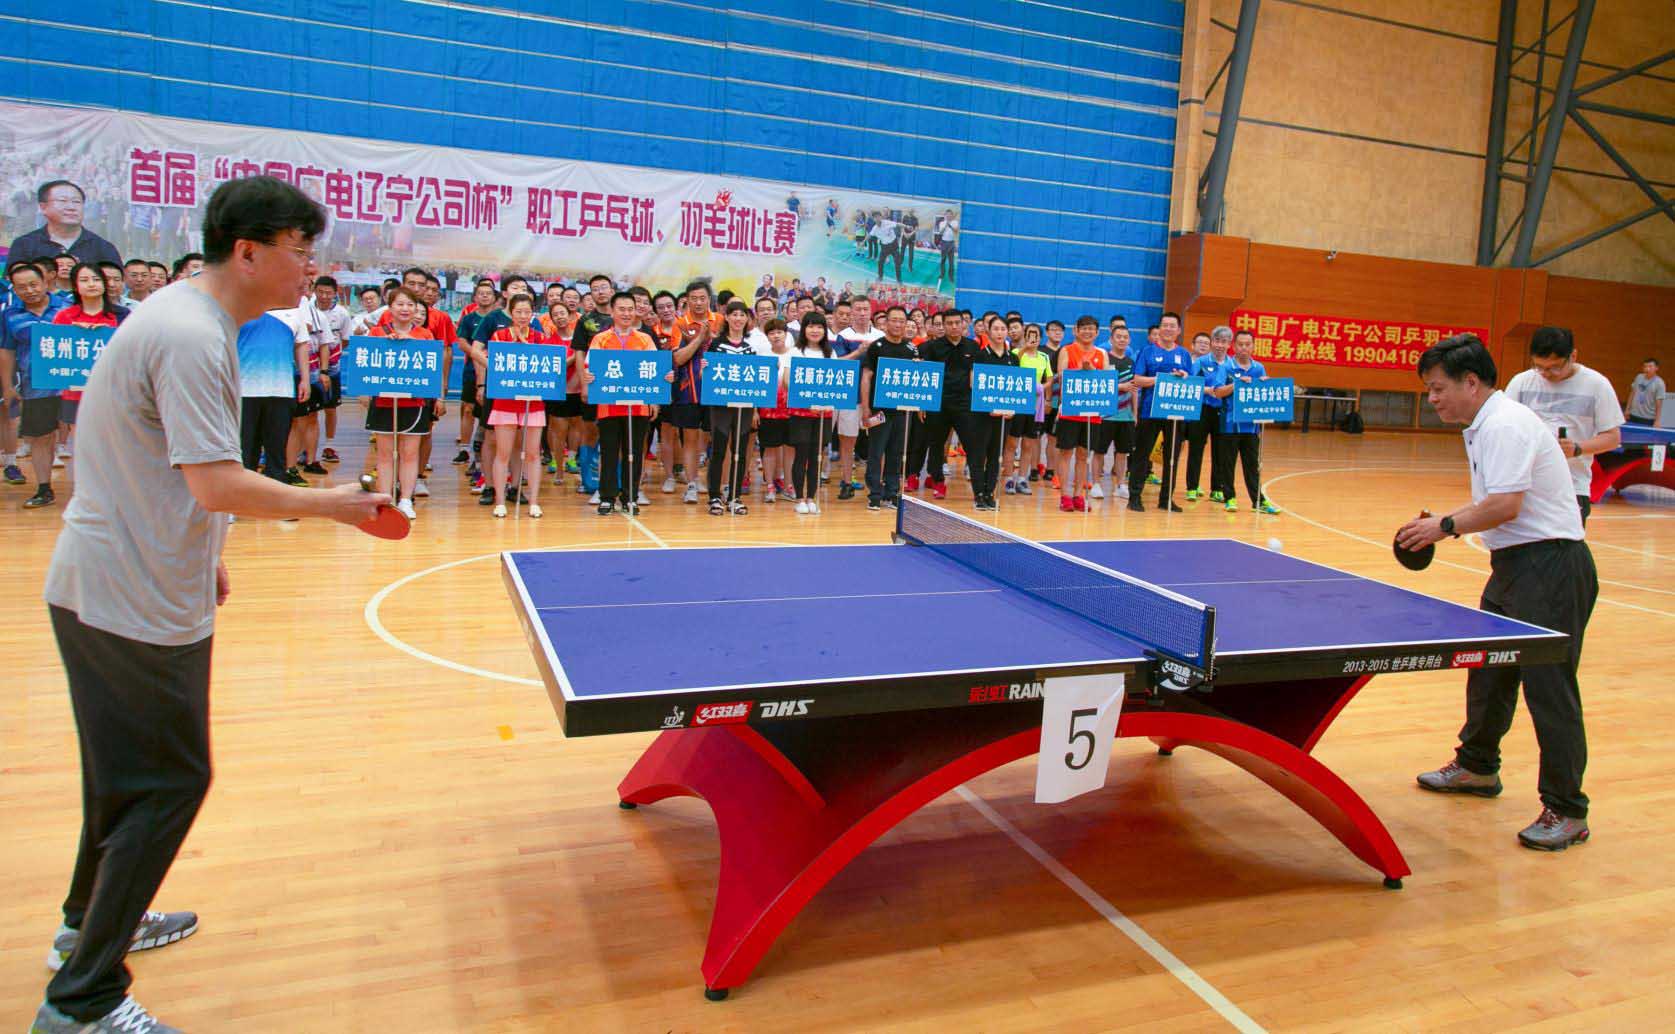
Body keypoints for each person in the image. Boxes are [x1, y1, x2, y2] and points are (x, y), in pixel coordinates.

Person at [33, 175, 385, 1034]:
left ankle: (86, 924)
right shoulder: (193, 335)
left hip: (120, 580)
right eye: (301, 251)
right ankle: (83, 1001)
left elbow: (174, 473)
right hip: (130, 594)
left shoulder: (194, 320)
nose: (311, 268)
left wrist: (208, 552)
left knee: (124, 782)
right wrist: (333, 505)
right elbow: (216, 481)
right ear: (248, 251)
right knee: (168, 785)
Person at [1399, 334, 1597, 852]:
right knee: (1489, 670)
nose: (1432, 399)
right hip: (1514, 567)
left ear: (1470, 382)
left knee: (1549, 689)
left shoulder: (1505, 424)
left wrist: (1444, 526)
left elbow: (1506, 505)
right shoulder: (1485, 424)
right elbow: (1498, 504)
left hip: (1551, 568)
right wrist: (1446, 521)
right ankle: (1478, 766)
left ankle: (1567, 810)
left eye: (1438, 388)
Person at [1503, 326, 1623, 525]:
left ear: (1573, 356)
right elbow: (1504, 427)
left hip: (1571, 488)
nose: (1546, 374)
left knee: (1564, 545)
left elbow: (1612, 438)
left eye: (1554, 367)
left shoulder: (1597, 385)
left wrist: (1577, 448)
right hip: (1524, 486)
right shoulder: (1521, 382)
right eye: (1539, 367)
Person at [584, 291, 663, 515]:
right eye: (622, 309)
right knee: (609, 451)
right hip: (608, 405)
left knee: (634, 452)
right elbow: (590, 367)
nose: (626, 313)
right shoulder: (600, 339)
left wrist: (654, 401)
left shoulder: (645, 339)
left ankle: (630, 496)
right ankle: (607, 497)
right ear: (612, 311)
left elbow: (655, 371)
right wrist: (588, 376)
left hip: (638, 406)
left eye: (630, 309)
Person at [0, 261, 69, 502]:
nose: (29, 290)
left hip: (72, 385)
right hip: (35, 385)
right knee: (41, 436)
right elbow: (7, 351)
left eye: (33, 284)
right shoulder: (10, 315)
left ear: (45, 281)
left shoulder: (68, 307)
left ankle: (90, 492)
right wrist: (8, 386)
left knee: (81, 436)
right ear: (13, 288)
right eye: (22, 287)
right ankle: (43, 489)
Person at [364, 286, 434, 519]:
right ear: (390, 307)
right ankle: (385, 500)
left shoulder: (425, 335)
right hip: (384, 401)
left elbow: (429, 368)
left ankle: (405, 499)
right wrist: (386, 344)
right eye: (400, 304)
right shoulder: (377, 332)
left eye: (410, 305)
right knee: (385, 454)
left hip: (414, 403)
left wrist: (410, 342)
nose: (405, 309)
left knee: (410, 453)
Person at [486, 294, 552, 518]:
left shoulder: (540, 338)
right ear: (511, 313)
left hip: (533, 402)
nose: (523, 316)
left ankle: (533, 501)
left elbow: (549, 366)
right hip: (505, 401)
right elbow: (495, 365)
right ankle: (500, 501)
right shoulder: (500, 336)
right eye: (518, 312)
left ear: (532, 314)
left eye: (527, 312)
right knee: (503, 453)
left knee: (533, 454)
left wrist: (529, 348)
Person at [1208, 330, 1281, 514]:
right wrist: (1237, 384)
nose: (1244, 348)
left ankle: (1258, 501)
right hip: (1229, 425)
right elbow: (1218, 392)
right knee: (1227, 465)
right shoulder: (1226, 367)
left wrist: (1265, 385)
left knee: (1252, 466)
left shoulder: (1259, 368)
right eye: (1240, 344)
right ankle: (1230, 498)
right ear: (1234, 346)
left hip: (1251, 427)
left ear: (1253, 346)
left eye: (1248, 344)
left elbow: (1263, 395)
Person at [1127, 311, 1193, 512]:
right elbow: (1137, 379)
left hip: (1175, 411)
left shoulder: (1184, 354)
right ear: (1160, 328)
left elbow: (1191, 381)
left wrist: (1184, 376)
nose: (1168, 329)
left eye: (1173, 326)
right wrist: (1159, 379)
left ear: (1179, 330)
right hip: (1150, 411)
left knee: (1171, 457)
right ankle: (1135, 497)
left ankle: (1166, 499)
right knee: (1142, 454)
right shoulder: (1147, 351)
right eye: (1165, 325)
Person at [858, 305, 917, 511]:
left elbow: (916, 377)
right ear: (886, 323)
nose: (898, 324)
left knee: (896, 452)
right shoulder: (877, 346)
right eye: (894, 320)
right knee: (876, 452)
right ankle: (874, 494)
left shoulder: (911, 348)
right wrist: (866, 407)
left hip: (902, 410)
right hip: (879, 409)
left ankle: (892, 493)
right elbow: (866, 377)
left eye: (902, 321)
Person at [704, 300, 760, 515]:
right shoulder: (716, 345)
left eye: (742, 315)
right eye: (734, 314)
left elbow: (755, 384)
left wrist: (755, 410)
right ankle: (714, 496)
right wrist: (704, 369)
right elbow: (706, 376)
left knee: (740, 451)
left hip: (744, 408)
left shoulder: (750, 349)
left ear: (747, 319)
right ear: (726, 317)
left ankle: (735, 496)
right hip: (721, 407)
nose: (738, 318)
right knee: (718, 450)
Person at [667, 281, 720, 505]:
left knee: (710, 438)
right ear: (687, 300)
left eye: (702, 298)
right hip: (687, 391)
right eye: (694, 298)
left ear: (709, 299)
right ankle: (691, 484)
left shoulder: (720, 321)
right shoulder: (680, 324)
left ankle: (710, 482)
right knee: (689, 438)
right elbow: (678, 358)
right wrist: (700, 338)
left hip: (716, 390)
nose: (698, 302)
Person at [1053, 315, 1109, 512]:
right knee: (1066, 453)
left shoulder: (1102, 354)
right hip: (1070, 409)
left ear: (1097, 332)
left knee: (1084, 454)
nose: (1087, 331)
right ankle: (1064, 495)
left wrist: (1091, 369)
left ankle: (1079, 495)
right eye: (1083, 328)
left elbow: (1106, 382)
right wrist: (1081, 370)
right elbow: (1061, 376)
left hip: (1092, 412)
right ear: (1076, 330)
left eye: (1091, 328)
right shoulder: (1067, 350)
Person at [7, 180, 123, 266]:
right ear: (43, 207)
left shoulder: (103, 248)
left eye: (76, 202)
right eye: (62, 201)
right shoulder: (24, 245)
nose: (71, 207)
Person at [834, 297, 882, 499]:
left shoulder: (880, 336)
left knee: (879, 441)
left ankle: (878, 485)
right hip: (850, 397)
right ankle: (846, 482)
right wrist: (858, 352)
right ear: (852, 312)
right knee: (848, 440)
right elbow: (838, 363)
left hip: (876, 398)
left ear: (870, 311)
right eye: (858, 309)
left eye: (865, 309)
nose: (862, 313)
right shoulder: (843, 336)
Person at [788, 312, 833, 514]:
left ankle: (811, 497)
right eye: (811, 326)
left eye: (819, 327)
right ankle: (799, 498)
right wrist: (808, 404)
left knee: (817, 456)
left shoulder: (830, 353)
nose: (815, 330)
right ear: (803, 329)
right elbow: (787, 381)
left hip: (823, 414)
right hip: (801, 413)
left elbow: (837, 382)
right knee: (801, 455)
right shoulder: (795, 351)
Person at [1003, 322, 1049, 495]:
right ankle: (1008, 478)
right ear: (1025, 335)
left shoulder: (1044, 357)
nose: (1033, 337)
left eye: (1036, 334)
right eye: (1030, 334)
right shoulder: (1016, 352)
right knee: (1011, 443)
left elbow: (1049, 378)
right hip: (1017, 403)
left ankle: (1022, 479)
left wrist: (1042, 388)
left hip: (1034, 404)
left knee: (1028, 444)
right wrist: (1025, 348)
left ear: (1040, 338)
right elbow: (1011, 368)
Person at [1184, 328, 1229, 503]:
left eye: (1224, 341)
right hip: (1202, 410)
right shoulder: (1201, 362)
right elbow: (1190, 385)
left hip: (1222, 412)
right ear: (1212, 342)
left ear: (1229, 344)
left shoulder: (1231, 365)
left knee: (1220, 451)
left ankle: (1217, 489)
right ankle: (1192, 487)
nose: (1220, 345)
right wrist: (1208, 390)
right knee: (1196, 449)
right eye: (1217, 341)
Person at [1626, 357, 1664, 427]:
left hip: (1648, 418)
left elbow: (1659, 403)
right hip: (1633, 414)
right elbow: (1632, 393)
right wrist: (1627, 409)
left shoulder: (1659, 383)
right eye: (1645, 366)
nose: (1647, 369)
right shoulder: (1639, 377)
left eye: (1650, 366)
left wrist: (1657, 420)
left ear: (1656, 368)